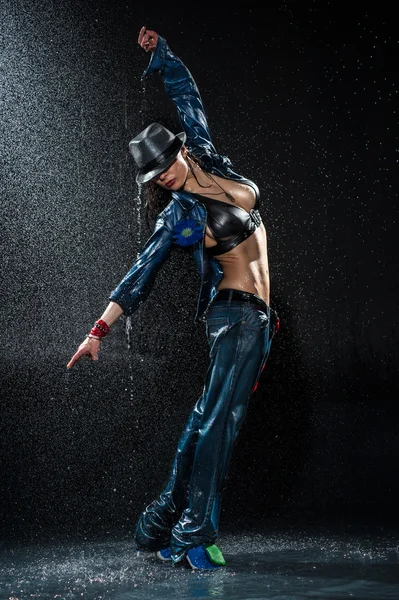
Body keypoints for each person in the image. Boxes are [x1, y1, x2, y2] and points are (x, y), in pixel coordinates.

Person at [67, 26, 279, 570]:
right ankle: (193, 533)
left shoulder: (206, 153)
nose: (164, 179)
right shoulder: (179, 214)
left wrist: (162, 55)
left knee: (206, 418)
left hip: (256, 317)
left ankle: (159, 522)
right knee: (219, 424)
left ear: (181, 149)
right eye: (156, 178)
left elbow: (188, 96)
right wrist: (99, 331)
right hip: (235, 317)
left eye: (167, 167)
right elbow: (143, 271)